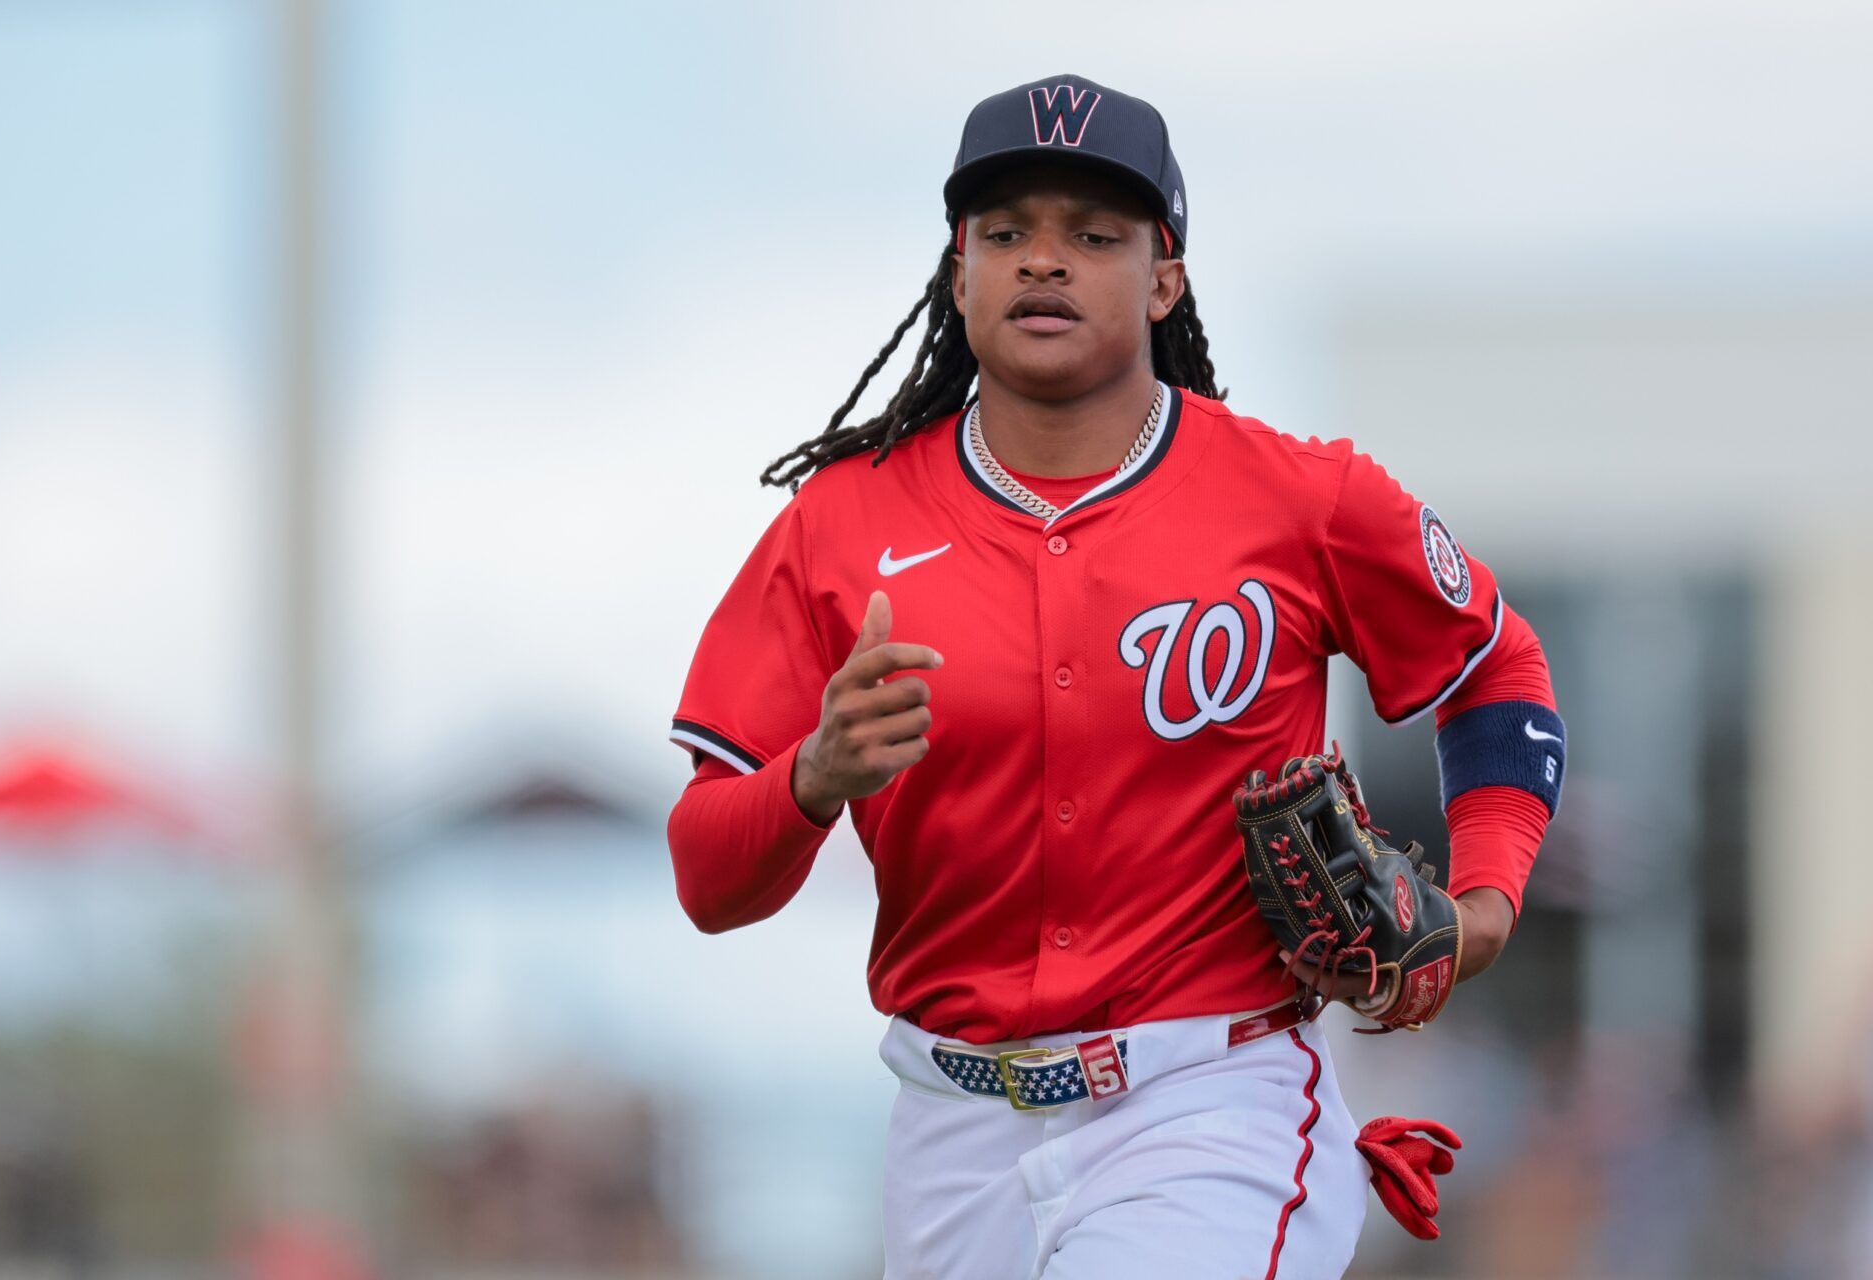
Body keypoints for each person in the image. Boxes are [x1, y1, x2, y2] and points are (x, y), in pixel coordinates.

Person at [666, 74, 1564, 1279]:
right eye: (1008, 233)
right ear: (960, 272)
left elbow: (1494, 658)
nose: (1045, 262)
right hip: (948, 1126)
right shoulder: (839, 526)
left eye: (1094, 235)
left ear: (1163, 278)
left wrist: (1488, 904)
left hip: (1212, 1093)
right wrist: (813, 775)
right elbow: (707, 874)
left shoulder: (1302, 499)